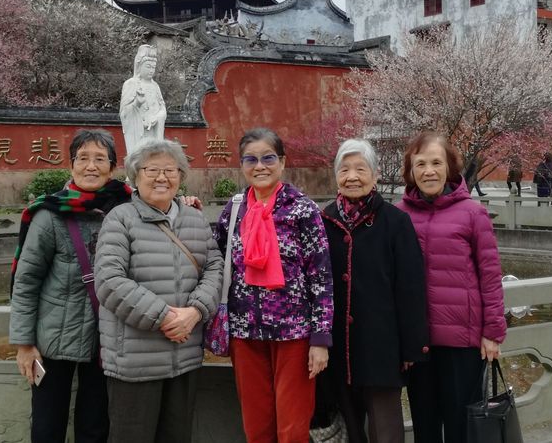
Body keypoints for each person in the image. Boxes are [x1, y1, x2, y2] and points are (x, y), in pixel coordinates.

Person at [94, 139, 223, 443]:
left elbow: (214, 268)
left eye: (170, 170)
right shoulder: (120, 219)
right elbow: (109, 281)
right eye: (151, 170)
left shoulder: (195, 220)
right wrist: (165, 317)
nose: (161, 177)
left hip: (184, 356)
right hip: (135, 362)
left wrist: (195, 312)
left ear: (180, 176)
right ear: (135, 176)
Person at [9, 129, 133, 443]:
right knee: (47, 428)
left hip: (105, 338)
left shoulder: (127, 209)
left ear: (112, 168)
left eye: (100, 159)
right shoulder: (49, 214)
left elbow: (163, 205)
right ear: (71, 165)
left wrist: (185, 203)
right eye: (83, 158)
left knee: (95, 427)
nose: (91, 166)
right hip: (53, 340)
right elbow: (26, 281)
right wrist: (24, 344)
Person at [215, 127, 333, 443]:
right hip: (245, 331)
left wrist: (321, 338)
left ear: (282, 161)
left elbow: (320, 277)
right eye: (250, 159)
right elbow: (216, 259)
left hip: (294, 333)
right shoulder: (234, 209)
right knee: (256, 426)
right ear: (242, 164)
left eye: (268, 158)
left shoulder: (302, 209)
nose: (260, 166)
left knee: (292, 428)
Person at [396, 131, 507, 443]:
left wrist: (492, 332)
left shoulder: (473, 213)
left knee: (462, 426)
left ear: (449, 167)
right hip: (419, 343)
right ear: (411, 171)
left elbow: (490, 276)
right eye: (420, 164)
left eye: (436, 163)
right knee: (425, 425)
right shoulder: (399, 215)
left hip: (462, 342)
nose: (428, 171)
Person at [320, 138, 429, 443]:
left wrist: (411, 346)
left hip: (382, 348)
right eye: (344, 169)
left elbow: (410, 287)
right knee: (349, 429)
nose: (352, 177)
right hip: (338, 346)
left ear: (376, 174)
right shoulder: (324, 220)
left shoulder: (396, 221)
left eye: (360, 169)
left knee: (385, 429)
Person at [120, 44, 167, 155]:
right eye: (148, 66)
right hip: (138, 133)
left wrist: (157, 117)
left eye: (153, 67)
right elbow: (124, 113)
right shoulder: (131, 84)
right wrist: (137, 103)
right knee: (140, 158)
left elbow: (162, 108)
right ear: (139, 66)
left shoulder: (155, 86)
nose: (151, 70)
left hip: (154, 131)